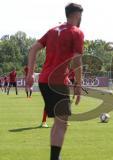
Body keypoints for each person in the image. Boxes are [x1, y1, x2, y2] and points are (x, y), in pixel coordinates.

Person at [26, 3, 84, 160]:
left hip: (44, 81)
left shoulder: (53, 31)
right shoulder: (76, 32)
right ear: (77, 16)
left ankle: (55, 157)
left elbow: (33, 49)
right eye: (80, 17)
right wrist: (78, 85)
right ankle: (54, 158)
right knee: (61, 122)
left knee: (59, 122)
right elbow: (77, 61)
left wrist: (30, 75)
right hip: (58, 82)